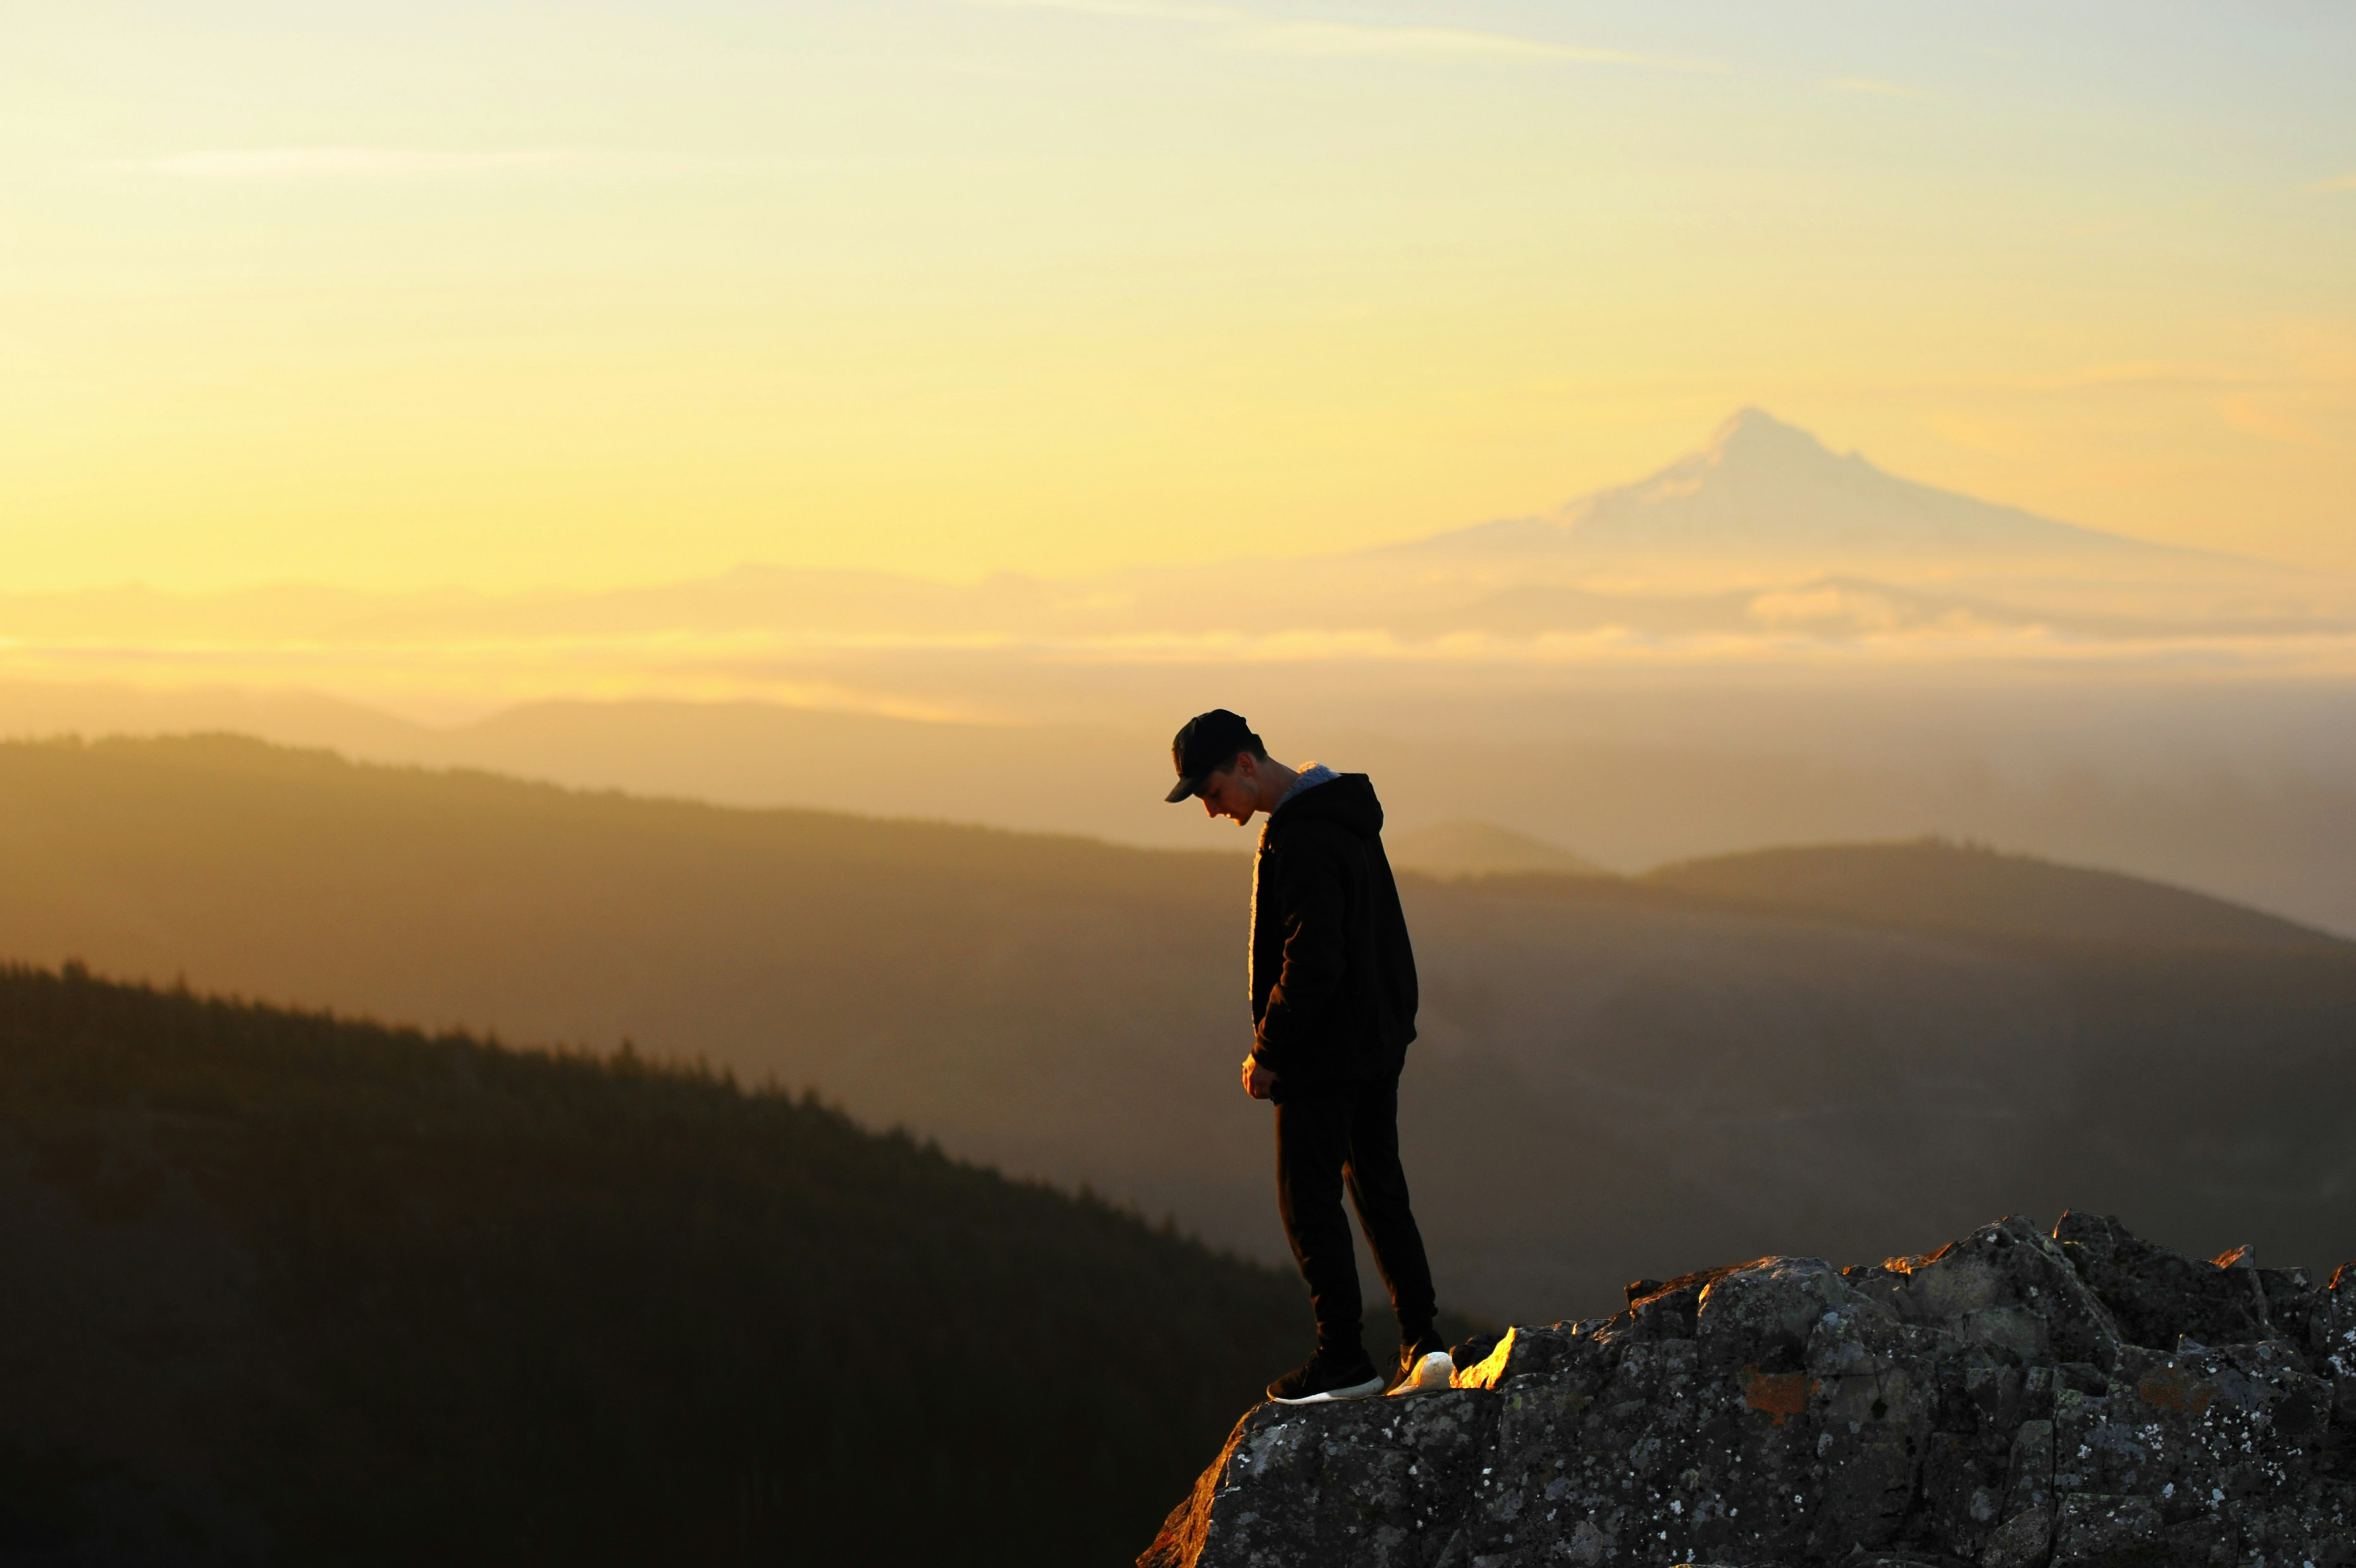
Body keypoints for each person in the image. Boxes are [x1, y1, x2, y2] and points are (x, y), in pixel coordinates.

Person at [1163, 708, 1452, 1404]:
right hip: (1375, 1038)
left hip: (1325, 1050)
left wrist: (1269, 1050)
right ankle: (1424, 1342)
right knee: (1378, 1184)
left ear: (1245, 765)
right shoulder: (1342, 815)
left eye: (1209, 793)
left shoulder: (1302, 839)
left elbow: (1313, 955)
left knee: (1307, 1197)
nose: (1211, 811)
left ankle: (1344, 1360)